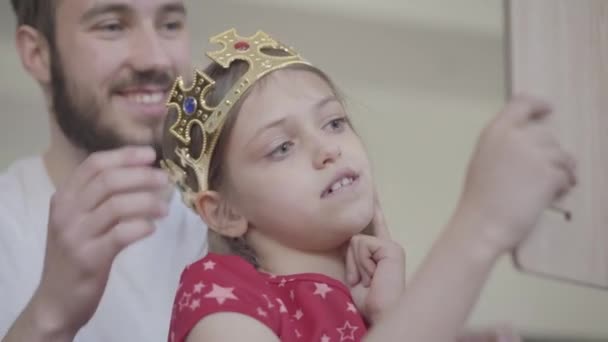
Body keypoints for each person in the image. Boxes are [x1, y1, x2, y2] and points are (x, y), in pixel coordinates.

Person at [162, 29, 575, 342]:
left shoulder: (376, 308)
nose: (327, 149)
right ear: (225, 212)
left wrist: (393, 315)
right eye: (282, 147)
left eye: (335, 123)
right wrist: (480, 227)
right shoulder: (219, 286)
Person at [1, 1, 207, 341]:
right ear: (37, 53)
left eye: (169, 25)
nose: (154, 58)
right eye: (112, 26)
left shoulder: (236, 222)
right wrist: (49, 316)